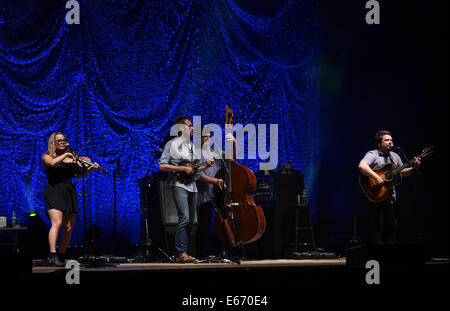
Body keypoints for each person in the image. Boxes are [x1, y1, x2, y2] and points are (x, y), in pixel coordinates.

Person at [158, 116, 213, 263]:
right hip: (180, 185)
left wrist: (206, 166)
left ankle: (186, 252)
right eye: (190, 126)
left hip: (192, 186)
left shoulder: (193, 147)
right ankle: (180, 253)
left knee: (190, 222)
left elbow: (195, 170)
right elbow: (162, 165)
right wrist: (182, 168)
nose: (193, 128)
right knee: (184, 217)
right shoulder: (172, 144)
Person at [42, 132, 99, 266]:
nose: (62, 142)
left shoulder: (71, 157)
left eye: (64, 140)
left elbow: (79, 175)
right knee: (57, 223)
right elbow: (51, 163)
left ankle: (61, 255)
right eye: (59, 140)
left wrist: (90, 169)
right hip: (54, 191)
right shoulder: (47, 156)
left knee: (68, 227)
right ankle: (52, 254)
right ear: (53, 143)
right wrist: (65, 155)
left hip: (69, 191)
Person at [358, 130, 421, 245]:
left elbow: (402, 172)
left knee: (391, 226)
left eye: (391, 140)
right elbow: (362, 166)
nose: (390, 142)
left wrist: (413, 168)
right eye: (386, 140)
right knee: (377, 226)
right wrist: (376, 177)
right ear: (379, 144)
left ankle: (390, 257)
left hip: (390, 196)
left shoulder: (395, 156)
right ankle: (376, 255)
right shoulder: (373, 154)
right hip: (376, 195)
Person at [196, 127, 236, 259]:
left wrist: (234, 143)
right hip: (204, 195)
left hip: (218, 194)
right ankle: (202, 254)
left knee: (223, 224)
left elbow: (231, 160)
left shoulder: (216, 152)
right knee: (204, 226)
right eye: (204, 136)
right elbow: (199, 175)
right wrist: (215, 181)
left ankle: (226, 251)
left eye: (209, 136)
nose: (207, 139)